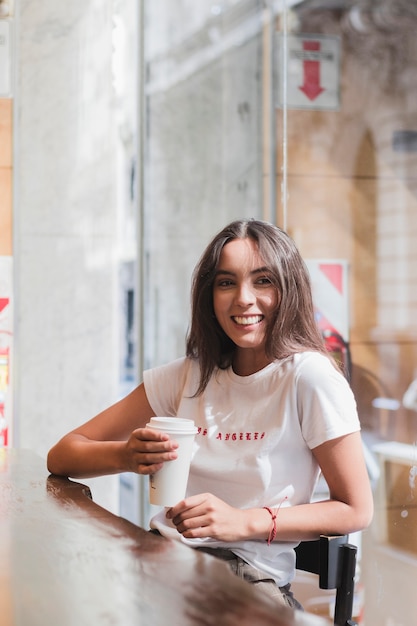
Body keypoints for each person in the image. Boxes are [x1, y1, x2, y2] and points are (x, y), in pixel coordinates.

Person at [47, 218, 373, 609]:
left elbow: (356, 508)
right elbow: (62, 454)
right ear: (209, 295)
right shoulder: (188, 375)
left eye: (263, 280)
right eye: (226, 282)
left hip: (247, 575)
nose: (243, 298)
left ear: (289, 289)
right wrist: (126, 456)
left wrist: (245, 522)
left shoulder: (310, 378)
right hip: (163, 560)